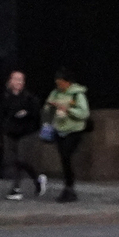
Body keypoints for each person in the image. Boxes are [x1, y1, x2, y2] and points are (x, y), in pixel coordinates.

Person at [0, 70, 45, 199]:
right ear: (10, 81)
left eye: (21, 80)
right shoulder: (5, 97)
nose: (18, 82)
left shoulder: (29, 98)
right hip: (10, 132)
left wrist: (26, 114)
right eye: (16, 79)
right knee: (12, 160)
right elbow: (0, 116)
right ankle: (17, 188)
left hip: (26, 132)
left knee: (22, 159)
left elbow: (36, 115)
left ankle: (33, 180)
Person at [45, 69, 90, 202]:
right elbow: (47, 109)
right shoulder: (55, 93)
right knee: (64, 159)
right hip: (59, 129)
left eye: (61, 83)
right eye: (57, 83)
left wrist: (68, 110)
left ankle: (69, 187)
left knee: (66, 155)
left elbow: (84, 113)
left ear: (68, 82)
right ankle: (68, 187)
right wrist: (51, 108)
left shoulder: (77, 94)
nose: (59, 86)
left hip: (74, 130)